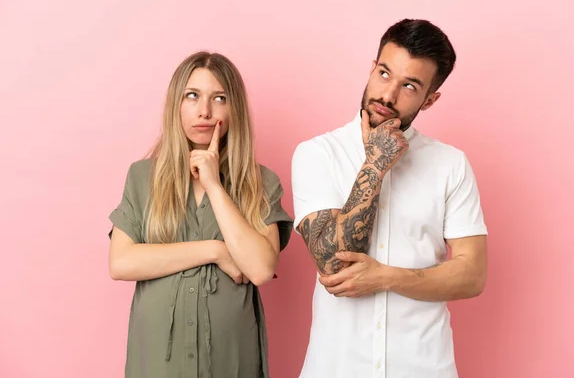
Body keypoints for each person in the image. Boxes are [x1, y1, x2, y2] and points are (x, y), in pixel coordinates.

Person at [291, 19, 488, 377]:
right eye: (384, 73)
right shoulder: (317, 154)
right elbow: (333, 264)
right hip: (336, 368)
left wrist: (386, 277)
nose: (387, 95)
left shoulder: (450, 164)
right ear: (372, 68)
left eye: (409, 86)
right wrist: (375, 165)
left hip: (423, 367)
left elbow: (472, 275)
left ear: (430, 99)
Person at [108, 51, 293, 378]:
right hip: (157, 364)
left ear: (233, 108)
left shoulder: (261, 183)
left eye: (218, 98)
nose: (204, 111)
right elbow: (121, 262)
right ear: (175, 105)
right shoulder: (142, 178)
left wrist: (214, 186)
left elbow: (261, 268)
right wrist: (215, 251)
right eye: (192, 96)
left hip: (230, 361)